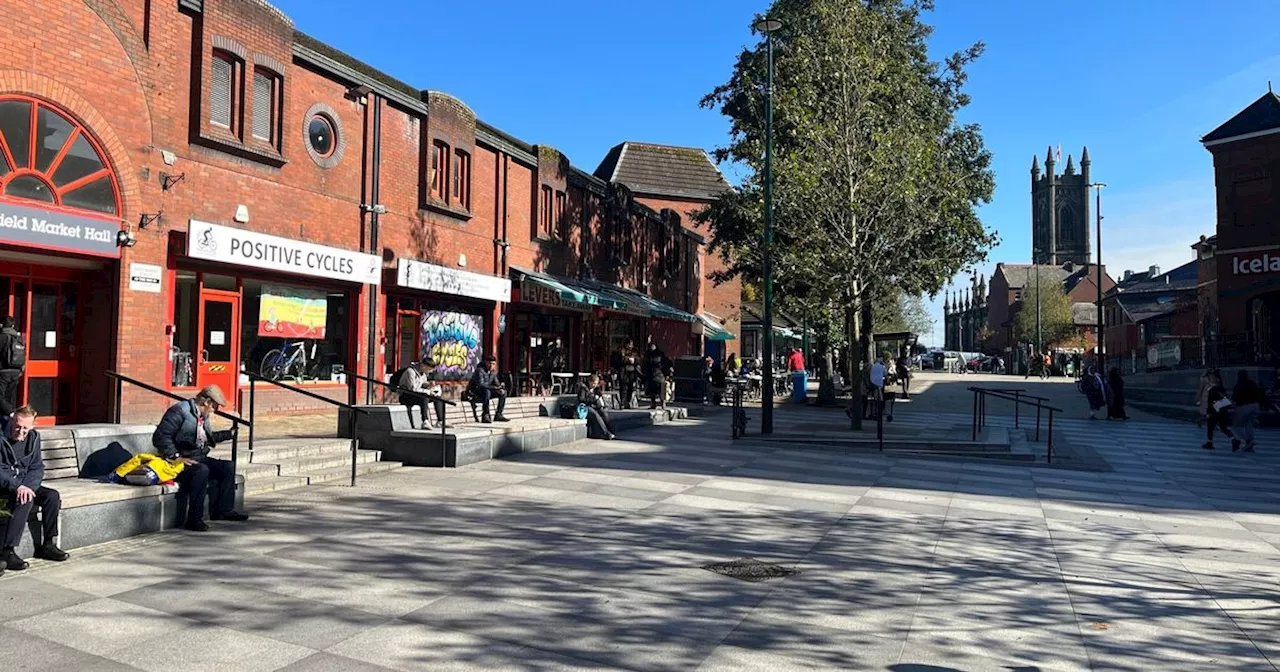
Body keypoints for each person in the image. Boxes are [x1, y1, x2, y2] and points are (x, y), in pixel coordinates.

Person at [152, 385, 249, 532]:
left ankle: (224, 511)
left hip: (198, 457)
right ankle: (194, 519)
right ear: (207, 402)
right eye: (215, 406)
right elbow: (160, 437)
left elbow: (205, 438)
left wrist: (228, 434)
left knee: (227, 467)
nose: (215, 410)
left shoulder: (202, 416)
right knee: (201, 471)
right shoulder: (180, 411)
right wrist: (176, 457)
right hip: (177, 461)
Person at [0, 406, 68, 573]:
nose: (21, 431)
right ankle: (8, 551)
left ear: (32, 427)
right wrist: (17, 486)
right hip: (6, 485)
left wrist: (28, 487)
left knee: (52, 496)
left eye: (25, 428)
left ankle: (49, 544)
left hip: (25, 484)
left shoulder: (34, 438)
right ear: (11, 420)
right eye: (17, 426)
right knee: (25, 500)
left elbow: (37, 467)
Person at [398, 357, 445, 430]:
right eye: (429, 369)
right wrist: (428, 391)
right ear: (423, 366)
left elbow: (422, 384)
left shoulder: (423, 374)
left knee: (437, 397)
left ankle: (440, 421)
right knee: (425, 396)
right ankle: (425, 421)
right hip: (406, 396)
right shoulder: (410, 372)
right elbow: (412, 388)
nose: (429, 372)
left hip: (417, 395)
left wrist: (429, 385)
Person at [467, 355, 509, 423]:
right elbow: (480, 384)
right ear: (485, 362)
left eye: (493, 364)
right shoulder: (479, 371)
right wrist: (494, 388)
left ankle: (498, 414)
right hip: (476, 392)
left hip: (487, 391)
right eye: (489, 363)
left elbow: (496, 384)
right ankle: (485, 414)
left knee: (503, 393)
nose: (491, 365)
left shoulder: (492, 372)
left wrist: (500, 388)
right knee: (487, 391)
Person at [1232, 370, 1264, 453]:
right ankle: (1250, 445)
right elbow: (1259, 394)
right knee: (1248, 425)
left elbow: (1234, 399)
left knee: (1236, 427)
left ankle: (1248, 441)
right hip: (1255, 406)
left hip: (1244, 407)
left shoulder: (1238, 386)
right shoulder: (1252, 383)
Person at [577, 374, 616, 440]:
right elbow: (581, 399)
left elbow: (599, 396)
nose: (594, 385)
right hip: (585, 407)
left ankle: (611, 431)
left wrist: (600, 401)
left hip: (594, 406)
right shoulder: (583, 388)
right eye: (593, 383)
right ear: (590, 382)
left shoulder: (595, 389)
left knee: (603, 413)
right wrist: (593, 399)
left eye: (596, 383)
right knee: (595, 415)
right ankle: (606, 433)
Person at [0, 316, 25, 416]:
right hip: (15, 371)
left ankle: (12, 413)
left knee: (2, 398)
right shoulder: (18, 338)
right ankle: (6, 423)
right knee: (8, 398)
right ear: (13, 325)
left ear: (1, 325)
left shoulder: (2, 337)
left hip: (3, 372)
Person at [1202, 371, 1234, 450]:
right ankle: (1234, 440)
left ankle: (1210, 442)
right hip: (1221, 411)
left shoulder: (1214, 389)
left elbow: (1212, 401)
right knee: (1223, 427)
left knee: (1210, 426)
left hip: (1215, 411)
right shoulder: (1221, 389)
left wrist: (1210, 410)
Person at [642, 342, 671, 410]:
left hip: (660, 374)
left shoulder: (660, 354)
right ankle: (653, 404)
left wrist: (667, 374)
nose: (652, 347)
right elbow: (645, 364)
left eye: (653, 346)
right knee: (652, 391)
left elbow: (665, 364)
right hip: (651, 374)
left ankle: (663, 403)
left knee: (662, 390)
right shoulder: (647, 354)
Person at [615, 340, 639, 409]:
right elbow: (620, 359)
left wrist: (634, 360)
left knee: (630, 388)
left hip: (631, 372)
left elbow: (638, 360)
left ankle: (628, 402)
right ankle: (622, 403)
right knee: (623, 388)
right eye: (629, 344)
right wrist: (629, 360)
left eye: (631, 344)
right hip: (624, 372)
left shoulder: (634, 352)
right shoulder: (621, 351)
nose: (630, 346)